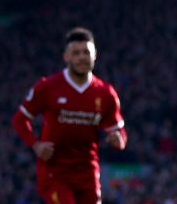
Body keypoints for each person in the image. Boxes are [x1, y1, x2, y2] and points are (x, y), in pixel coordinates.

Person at [12, 27, 127, 204]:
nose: (82, 57)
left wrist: (119, 141)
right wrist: (35, 145)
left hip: (88, 173)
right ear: (66, 56)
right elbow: (20, 120)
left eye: (86, 52)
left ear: (95, 55)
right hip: (55, 173)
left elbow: (118, 131)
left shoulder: (105, 93)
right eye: (76, 53)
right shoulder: (48, 87)